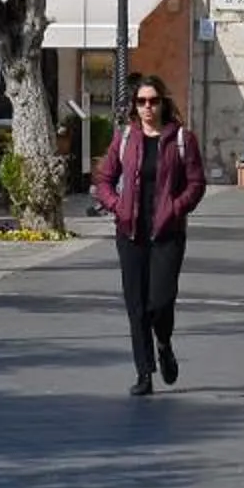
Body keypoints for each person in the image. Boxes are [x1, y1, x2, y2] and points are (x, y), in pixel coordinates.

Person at [92, 80, 204, 396]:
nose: (147, 107)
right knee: (137, 306)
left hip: (168, 232)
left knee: (161, 301)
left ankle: (164, 343)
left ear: (162, 103)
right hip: (131, 233)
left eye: (153, 101)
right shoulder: (126, 138)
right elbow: (104, 179)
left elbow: (196, 183)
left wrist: (176, 208)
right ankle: (144, 372)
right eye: (141, 102)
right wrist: (117, 206)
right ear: (135, 106)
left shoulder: (182, 139)